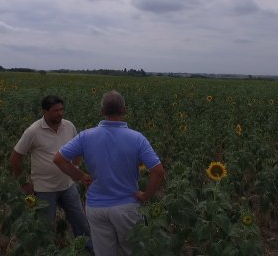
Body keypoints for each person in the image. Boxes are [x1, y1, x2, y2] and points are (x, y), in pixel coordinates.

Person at [54, 90, 165, 256]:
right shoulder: (137, 138)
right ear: (124, 110)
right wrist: (145, 195)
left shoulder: (86, 136)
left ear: (102, 111)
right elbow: (158, 170)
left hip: (96, 207)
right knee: (133, 251)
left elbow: (59, 159)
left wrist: (81, 176)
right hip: (126, 207)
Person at [9, 95, 93, 253]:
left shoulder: (68, 126)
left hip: (67, 185)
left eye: (61, 110)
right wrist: (24, 183)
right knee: (46, 229)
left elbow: (78, 148)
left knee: (81, 223)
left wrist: (74, 168)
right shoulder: (33, 131)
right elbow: (15, 158)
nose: (60, 114)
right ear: (44, 112)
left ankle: (88, 251)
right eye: (55, 111)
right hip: (44, 189)